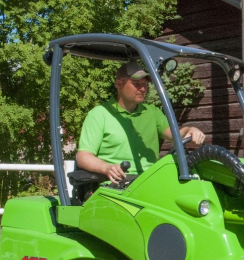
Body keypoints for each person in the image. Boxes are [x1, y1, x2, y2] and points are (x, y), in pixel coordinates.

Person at [76, 61, 205, 182]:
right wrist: (106, 168)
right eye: (136, 84)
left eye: (144, 85)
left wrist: (190, 130)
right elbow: (83, 156)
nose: (142, 89)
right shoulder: (99, 114)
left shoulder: (152, 112)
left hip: (149, 182)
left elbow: (174, 135)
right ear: (119, 84)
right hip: (116, 185)